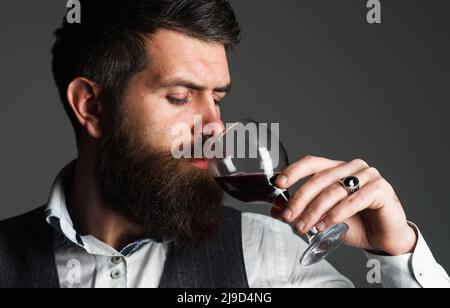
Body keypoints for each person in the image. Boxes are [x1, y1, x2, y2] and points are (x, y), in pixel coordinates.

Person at [0, 0, 448, 288]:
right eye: (180, 96)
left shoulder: (269, 257)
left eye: (217, 98)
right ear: (91, 106)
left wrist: (396, 256)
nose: (215, 127)